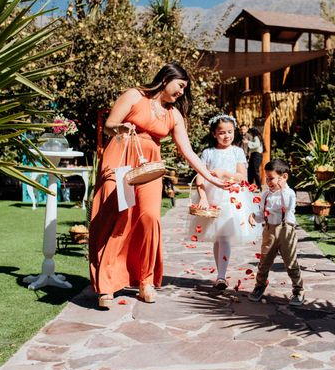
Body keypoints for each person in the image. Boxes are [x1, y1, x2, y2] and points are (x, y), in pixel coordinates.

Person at [89, 63, 225, 309]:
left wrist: (211, 177)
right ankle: (106, 285)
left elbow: (188, 152)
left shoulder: (174, 115)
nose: (182, 92)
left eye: (185, 89)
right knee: (115, 217)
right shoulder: (134, 95)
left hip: (149, 165)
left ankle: (145, 280)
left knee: (150, 217)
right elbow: (109, 125)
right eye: (181, 85)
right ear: (166, 79)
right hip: (119, 158)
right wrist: (120, 128)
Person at [190, 114, 261, 290]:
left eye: (229, 132)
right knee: (217, 238)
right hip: (212, 196)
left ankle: (221, 275)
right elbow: (200, 176)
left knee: (224, 237)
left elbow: (242, 177)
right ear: (214, 133)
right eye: (222, 132)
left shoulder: (237, 151)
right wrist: (203, 197)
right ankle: (220, 274)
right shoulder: (208, 153)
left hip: (231, 197)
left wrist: (224, 173)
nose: (226, 136)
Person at [248, 159, 304, 306]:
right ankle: (259, 286)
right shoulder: (266, 195)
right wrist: (255, 216)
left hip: (286, 230)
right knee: (264, 261)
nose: (268, 182)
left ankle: (298, 290)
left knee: (290, 262)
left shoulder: (289, 193)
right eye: (266, 178)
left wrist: (281, 187)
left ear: (284, 177)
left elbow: (287, 206)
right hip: (269, 231)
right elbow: (262, 213)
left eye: (271, 178)